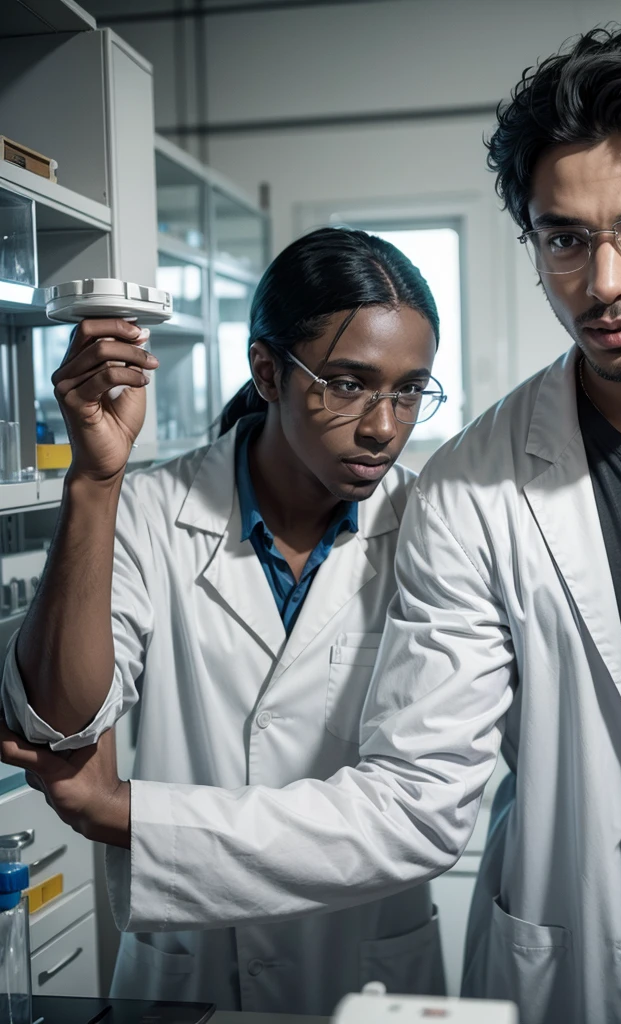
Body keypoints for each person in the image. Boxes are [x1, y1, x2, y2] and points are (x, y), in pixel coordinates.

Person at [2, 27, 621, 1024]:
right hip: (585, 967)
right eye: (564, 239)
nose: (603, 281)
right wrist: (134, 812)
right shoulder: (470, 490)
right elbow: (419, 798)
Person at [0, 227, 449, 1013]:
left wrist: (119, 809)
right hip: (193, 969)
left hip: (366, 967)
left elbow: (418, 803)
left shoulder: (433, 526)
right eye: (348, 384)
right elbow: (62, 718)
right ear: (268, 371)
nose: (384, 426)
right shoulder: (148, 512)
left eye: (409, 389)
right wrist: (95, 481)